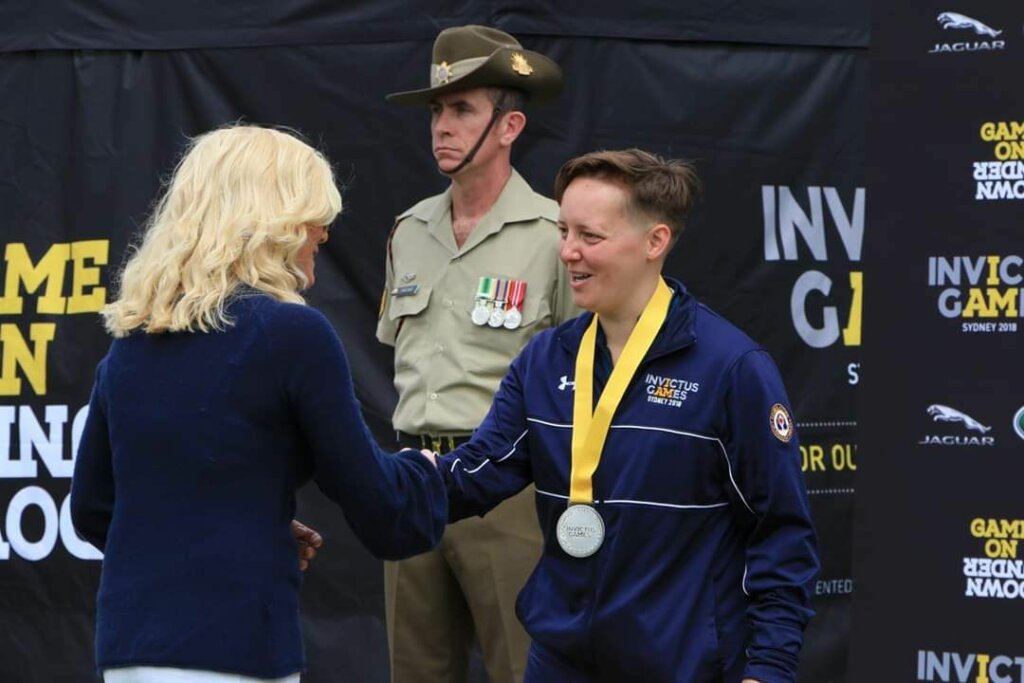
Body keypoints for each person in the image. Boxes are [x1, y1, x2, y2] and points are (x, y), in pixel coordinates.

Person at [70, 125, 447, 683]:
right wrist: (427, 471)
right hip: (235, 650)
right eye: (312, 215)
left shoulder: (130, 343)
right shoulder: (292, 334)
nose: (324, 230)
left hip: (129, 651)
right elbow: (381, 509)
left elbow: (92, 510)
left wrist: (246, 525)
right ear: (273, 222)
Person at [436, 149, 820, 682]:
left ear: (655, 242)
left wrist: (769, 670)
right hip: (559, 661)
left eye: (589, 237)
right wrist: (372, 479)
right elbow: (476, 473)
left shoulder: (732, 369)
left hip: (682, 666)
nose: (568, 252)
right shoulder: (545, 360)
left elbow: (780, 535)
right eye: (564, 230)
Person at [377, 24, 577, 683]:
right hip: (412, 479)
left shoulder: (553, 236)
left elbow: (590, 375)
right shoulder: (409, 232)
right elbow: (405, 360)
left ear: (510, 124)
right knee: (415, 671)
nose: (442, 125)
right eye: (437, 110)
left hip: (508, 489)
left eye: (462, 108)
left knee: (524, 667)